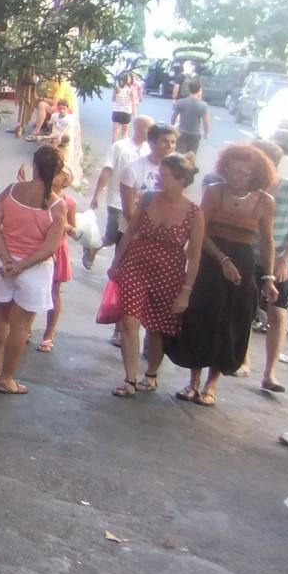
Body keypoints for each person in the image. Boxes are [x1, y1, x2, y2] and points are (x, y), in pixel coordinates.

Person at [166, 144, 279, 405]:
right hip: (211, 258)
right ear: (224, 167)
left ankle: (211, 385)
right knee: (200, 317)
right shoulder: (215, 192)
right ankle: (193, 381)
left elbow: (267, 241)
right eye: (232, 170)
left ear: (256, 174)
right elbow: (200, 232)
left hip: (243, 263)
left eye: (244, 173)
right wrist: (222, 259)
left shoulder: (264, 201)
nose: (237, 176)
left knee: (230, 322)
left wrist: (269, 278)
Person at [108, 153, 204, 398]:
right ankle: (129, 379)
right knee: (130, 320)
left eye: (164, 175)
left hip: (169, 272)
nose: (159, 178)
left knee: (156, 327)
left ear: (181, 180)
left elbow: (194, 255)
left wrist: (186, 291)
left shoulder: (194, 212)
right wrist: (116, 262)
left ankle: (151, 374)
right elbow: (130, 232)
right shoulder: (149, 198)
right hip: (136, 263)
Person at [0, 145, 69, 395]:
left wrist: (7, 258)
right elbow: (50, 247)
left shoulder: (12, 191)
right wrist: (21, 265)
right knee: (21, 325)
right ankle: (7, 379)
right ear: (58, 171)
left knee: (1, 316)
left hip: (4, 264)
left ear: (35, 165)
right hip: (33, 270)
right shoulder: (57, 206)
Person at [85, 113, 153, 269]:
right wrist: (97, 195)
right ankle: (93, 249)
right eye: (148, 128)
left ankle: (121, 265)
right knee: (113, 234)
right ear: (138, 128)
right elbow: (107, 170)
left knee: (128, 235)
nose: (151, 132)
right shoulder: (120, 147)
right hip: (116, 199)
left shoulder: (149, 150)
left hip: (137, 202)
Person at [251, 139, 288, 394]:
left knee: (278, 312)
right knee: (244, 308)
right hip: (249, 255)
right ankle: (242, 359)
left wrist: (284, 259)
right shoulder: (249, 188)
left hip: (278, 261)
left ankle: (270, 373)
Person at [38, 166, 77, 353]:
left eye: (62, 173)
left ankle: (48, 334)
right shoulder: (40, 196)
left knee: (54, 291)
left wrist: (65, 224)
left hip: (58, 248)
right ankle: (25, 327)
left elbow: (74, 230)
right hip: (38, 244)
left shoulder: (69, 202)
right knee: (33, 287)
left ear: (66, 180)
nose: (58, 175)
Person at [171, 80, 210, 156]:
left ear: (189, 89)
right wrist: (206, 133)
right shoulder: (203, 105)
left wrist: (172, 127)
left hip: (181, 132)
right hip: (194, 134)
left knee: (179, 156)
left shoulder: (181, 102)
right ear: (199, 90)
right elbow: (206, 122)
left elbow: (173, 116)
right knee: (191, 156)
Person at [111, 72, 138, 141]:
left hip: (116, 112)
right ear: (131, 80)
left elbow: (113, 99)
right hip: (126, 113)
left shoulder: (117, 88)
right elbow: (133, 104)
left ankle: (113, 148)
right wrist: (135, 115)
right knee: (125, 133)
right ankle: (123, 149)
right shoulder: (132, 90)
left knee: (115, 132)